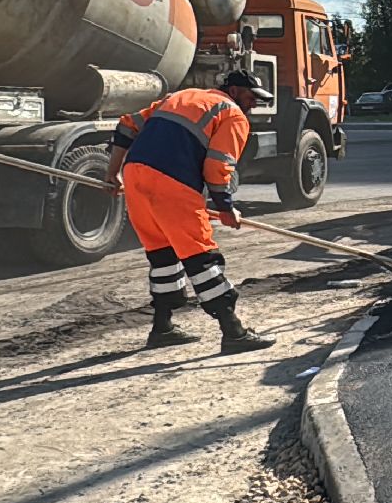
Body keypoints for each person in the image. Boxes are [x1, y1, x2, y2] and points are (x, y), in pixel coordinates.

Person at [106, 71, 278, 353]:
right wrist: (226, 207)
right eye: (252, 97)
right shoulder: (233, 115)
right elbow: (218, 166)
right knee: (201, 257)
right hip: (172, 182)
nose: (255, 104)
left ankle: (162, 328)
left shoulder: (180, 97)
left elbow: (126, 127)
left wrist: (112, 173)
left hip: (136, 175)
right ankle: (233, 332)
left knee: (163, 255)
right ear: (234, 91)